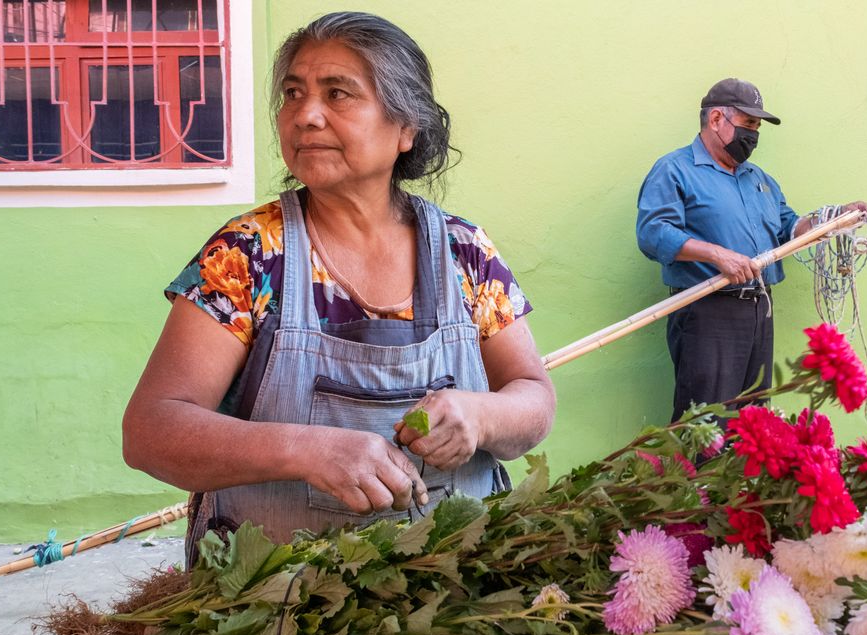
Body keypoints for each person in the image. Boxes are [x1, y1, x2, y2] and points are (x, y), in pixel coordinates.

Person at [122, 12, 555, 563]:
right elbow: (151, 431)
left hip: (454, 588)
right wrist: (305, 450)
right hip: (273, 599)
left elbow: (534, 398)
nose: (305, 116)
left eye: (338, 94)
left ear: (406, 128)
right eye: (293, 94)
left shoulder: (464, 251)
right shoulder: (247, 256)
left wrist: (481, 416)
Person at [636, 78, 867, 422]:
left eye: (758, 127)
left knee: (752, 423)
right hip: (707, 310)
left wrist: (832, 220)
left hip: (760, 309)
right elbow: (652, 233)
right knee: (706, 424)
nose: (754, 135)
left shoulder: (759, 179)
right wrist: (717, 255)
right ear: (716, 119)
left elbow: (789, 229)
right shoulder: (675, 170)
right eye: (748, 124)